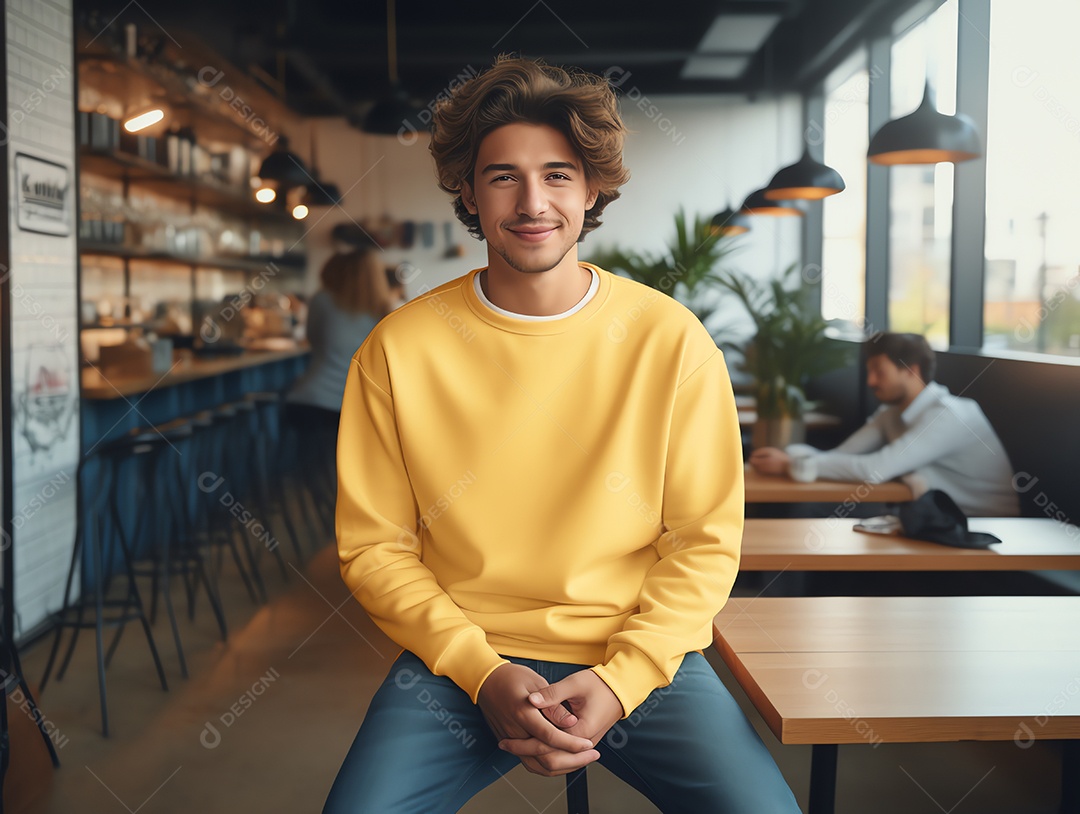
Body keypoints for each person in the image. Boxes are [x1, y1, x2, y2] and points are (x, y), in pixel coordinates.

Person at [324, 56, 800, 813]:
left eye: (557, 173)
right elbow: (375, 548)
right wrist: (481, 672)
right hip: (461, 656)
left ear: (591, 189)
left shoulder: (669, 340)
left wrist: (623, 678)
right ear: (470, 193)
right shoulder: (398, 348)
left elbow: (704, 542)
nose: (531, 201)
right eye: (502, 176)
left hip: (637, 652)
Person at [749, 332, 1019, 517]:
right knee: (816, 507)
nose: (870, 382)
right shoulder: (891, 412)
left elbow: (874, 469)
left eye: (879, 371)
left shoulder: (949, 414)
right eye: (869, 372)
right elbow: (841, 456)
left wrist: (790, 464)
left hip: (980, 523)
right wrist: (793, 456)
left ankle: (784, 598)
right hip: (928, 511)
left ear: (911, 371)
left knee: (815, 509)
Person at [285, 248, 398, 502]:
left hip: (312, 403)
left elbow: (313, 340)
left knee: (321, 476)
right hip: (358, 407)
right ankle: (346, 516)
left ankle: (325, 515)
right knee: (354, 474)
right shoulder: (386, 312)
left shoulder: (323, 300)